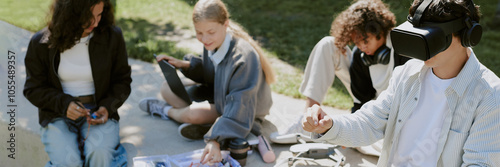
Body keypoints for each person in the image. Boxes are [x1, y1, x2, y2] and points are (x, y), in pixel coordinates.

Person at [303, 0, 500, 166]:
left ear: (468, 36)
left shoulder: (490, 96)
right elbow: (370, 122)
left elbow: (479, 163)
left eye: (432, 37)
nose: (421, 48)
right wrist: (329, 126)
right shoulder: (407, 73)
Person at [138, 0, 275, 164]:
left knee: (193, 113)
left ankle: (167, 111)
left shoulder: (243, 57)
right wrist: (185, 65)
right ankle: (212, 125)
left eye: (210, 32)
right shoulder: (214, 42)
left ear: (226, 24)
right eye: (199, 33)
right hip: (220, 94)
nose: (204, 39)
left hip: (244, 110)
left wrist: (214, 140)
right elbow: (212, 73)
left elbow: (240, 104)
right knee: (167, 88)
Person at [270, 0, 409, 156]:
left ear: (381, 32)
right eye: (356, 42)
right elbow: (361, 101)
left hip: (395, 107)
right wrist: (351, 133)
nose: (362, 47)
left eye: (365, 40)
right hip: (372, 103)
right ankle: (309, 120)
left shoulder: (403, 48)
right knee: (327, 44)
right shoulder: (360, 55)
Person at [23, 0, 131, 166]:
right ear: (71, 14)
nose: (95, 22)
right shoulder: (41, 43)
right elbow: (33, 89)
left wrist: (107, 107)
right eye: (89, 17)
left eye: (100, 15)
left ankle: (114, 155)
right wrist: (64, 105)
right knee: (69, 162)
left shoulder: (112, 37)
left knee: (98, 154)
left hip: (98, 112)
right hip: (56, 114)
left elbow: (122, 81)